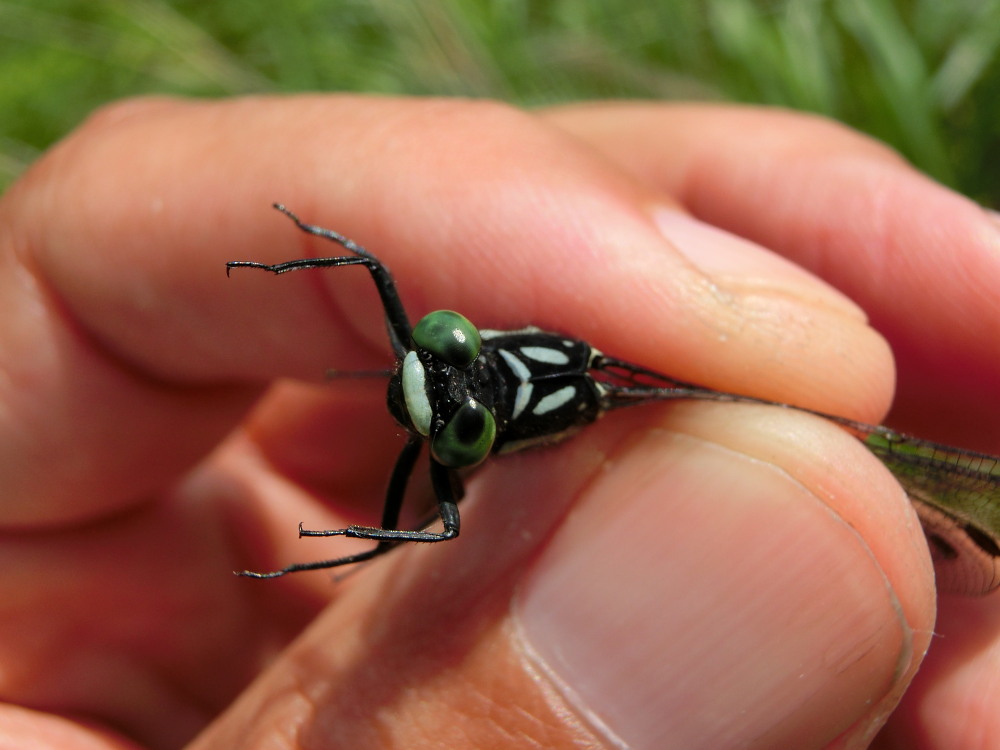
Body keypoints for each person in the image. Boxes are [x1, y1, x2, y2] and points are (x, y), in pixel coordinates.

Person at [1, 96, 997, 749]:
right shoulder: (458, 367)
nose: (432, 389)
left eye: (456, 414)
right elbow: (425, 506)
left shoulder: (602, 380)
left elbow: (424, 495)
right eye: (448, 393)